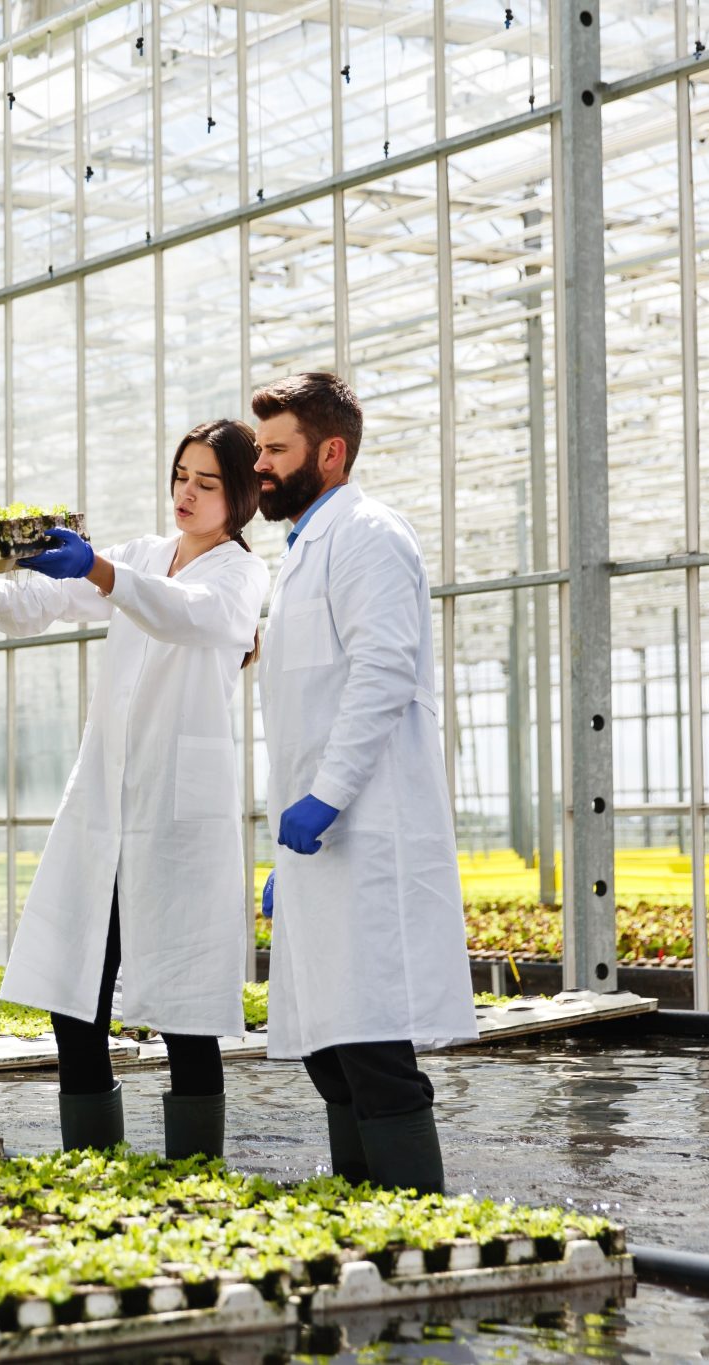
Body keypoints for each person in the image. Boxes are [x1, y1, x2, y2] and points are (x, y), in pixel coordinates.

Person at [0, 421, 268, 1159]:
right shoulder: (140, 555)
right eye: (180, 475)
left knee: (187, 1013)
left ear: (241, 496)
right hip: (105, 802)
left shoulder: (238, 574)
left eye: (206, 482)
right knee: (76, 999)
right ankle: (94, 1162)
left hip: (176, 814)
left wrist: (103, 572)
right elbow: (41, 602)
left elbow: (184, 613)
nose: (186, 493)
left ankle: (194, 1174)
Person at [250, 372, 475, 1195]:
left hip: (368, 829)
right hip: (322, 845)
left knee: (373, 1047)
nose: (261, 466)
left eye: (277, 449)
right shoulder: (304, 550)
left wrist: (329, 796)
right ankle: (360, 1209)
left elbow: (381, 672)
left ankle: (416, 1223)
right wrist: (297, 846)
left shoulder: (369, 534)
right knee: (328, 1049)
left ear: (331, 451)